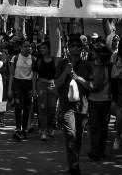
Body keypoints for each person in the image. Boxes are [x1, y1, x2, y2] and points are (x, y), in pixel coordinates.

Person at [55, 35, 90, 175]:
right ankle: (74, 166)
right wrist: (65, 72)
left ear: (81, 49)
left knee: (78, 138)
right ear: (68, 48)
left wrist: (77, 77)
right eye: (72, 46)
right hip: (66, 106)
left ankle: (74, 161)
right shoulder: (62, 64)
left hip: (82, 106)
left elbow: (91, 86)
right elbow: (56, 84)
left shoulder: (86, 65)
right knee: (71, 135)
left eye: (78, 46)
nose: (75, 48)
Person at [83, 42, 111, 161]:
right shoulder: (91, 65)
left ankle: (98, 151)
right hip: (96, 100)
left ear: (99, 53)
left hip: (103, 100)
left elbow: (95, 86)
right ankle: (97, 151)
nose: (91, 52)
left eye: (94, 51)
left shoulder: (107, 66)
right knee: (98, 126)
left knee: (99, 127)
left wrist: (80, 80)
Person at [8, 38, 36, 140]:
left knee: (27, 108)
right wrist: (9, 89)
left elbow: (34, 76)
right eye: (25, 46)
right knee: (18, 107)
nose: (28, 48)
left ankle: (24, 129)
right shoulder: (15, 58)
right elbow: (11, 74)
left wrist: (33, 89)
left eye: (29, 46)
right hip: (17, 84)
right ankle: (18, 128)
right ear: (20, 48)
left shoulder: (33, 59)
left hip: (28, 85)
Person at [33, 40, 57, 141]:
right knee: (42, 108)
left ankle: (50, 126)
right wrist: (34, 89)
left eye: (44, 48)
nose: (42, 49)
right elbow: (34, 75)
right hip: (41, 84)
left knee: (52, 108)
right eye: (41, 48)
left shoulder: (55, 59)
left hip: (52, 85)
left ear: (49, 49)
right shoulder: (38, 60)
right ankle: (43, 130)